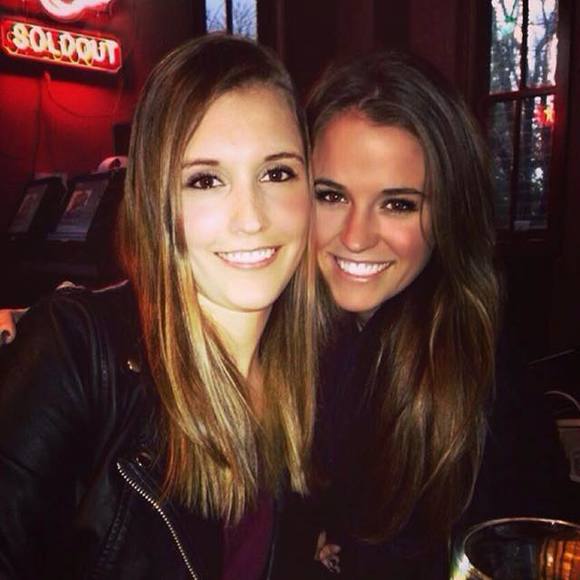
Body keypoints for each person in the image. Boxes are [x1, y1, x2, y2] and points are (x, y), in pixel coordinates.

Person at [0, 33, 317, 580]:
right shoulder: (77, 355)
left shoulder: (311, 374)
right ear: (155, 200)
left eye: (277, 172)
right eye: (206, 180)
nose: (251, 218)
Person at [306, 51, 573, 578]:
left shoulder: (479, 378)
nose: (355, 237)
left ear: (449, 213)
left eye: (398, 204)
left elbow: (531, 539)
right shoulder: (289, 333)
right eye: (331, 195)